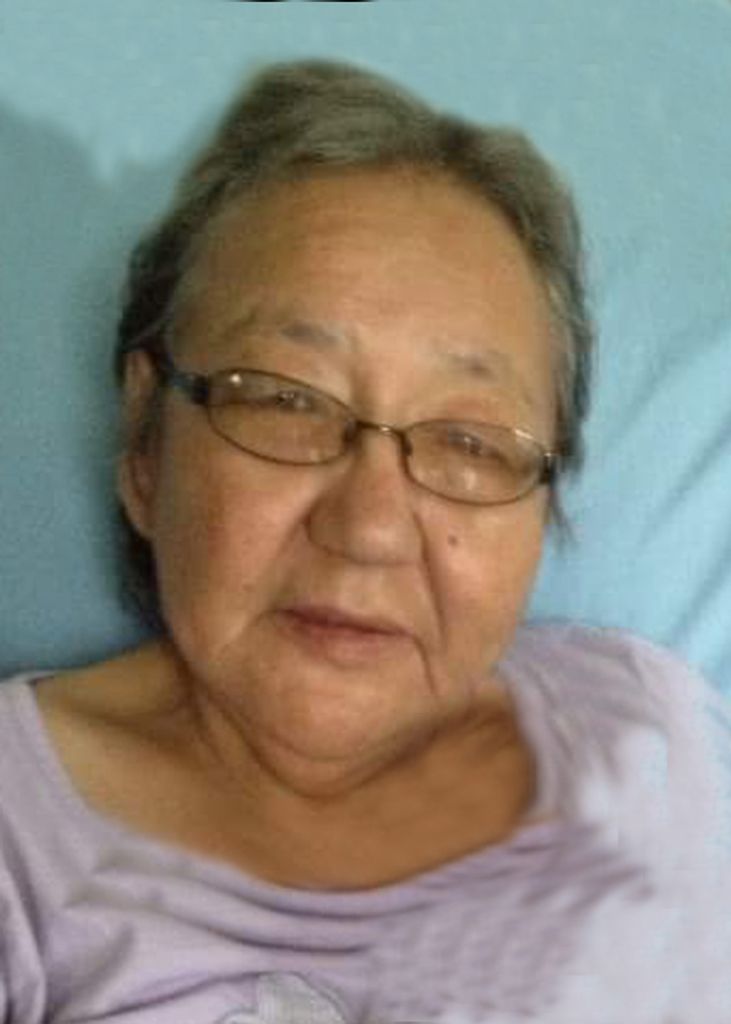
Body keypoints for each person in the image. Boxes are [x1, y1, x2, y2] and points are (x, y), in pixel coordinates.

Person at [0, 59, 729, 1024]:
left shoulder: (652, 733)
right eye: (284, 402)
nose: (371, 529)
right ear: (146, 445)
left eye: (470, 443)